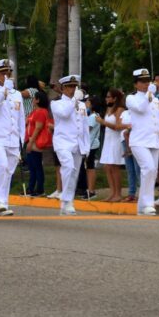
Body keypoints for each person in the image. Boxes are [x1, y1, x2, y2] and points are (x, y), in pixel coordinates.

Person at [0, 59, 26, 215]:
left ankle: (2, 204)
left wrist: (22, 140)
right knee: (2, 166)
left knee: (8, 171)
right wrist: (4, 91)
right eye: (2, 74)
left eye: (8, 73)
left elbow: (21, 119)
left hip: (13, 139)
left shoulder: (18, 95)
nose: (6, 76)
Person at [126, 68, 159, 215]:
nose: (145, 84)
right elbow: (141, 109)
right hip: (139, 141)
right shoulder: (131, 98)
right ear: (135, 84)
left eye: (147, 81)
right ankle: (148, 203)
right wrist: (149, 94)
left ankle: (142, 206)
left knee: (152, 172)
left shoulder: (156, 100)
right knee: (148, 168)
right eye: (142, 82)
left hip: (154, 141)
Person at [50, 75, 90, 215]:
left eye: (74, 86)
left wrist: (87, 146)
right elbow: (65, 114)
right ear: (63, 88)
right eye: (69, 87)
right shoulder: (56, 104)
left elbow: (84, 127)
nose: (72, 89)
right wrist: (74, 101)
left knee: (74, 173)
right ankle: (66, 200)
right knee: (67, 166)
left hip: (78, 144)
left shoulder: (82, 105)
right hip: (63, 142)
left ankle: (68, 202)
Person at [96, 89, 126, 202]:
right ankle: (112, 192)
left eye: (109, 97)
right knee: (107, 167)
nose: (106, 99)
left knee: (114, 167)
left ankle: (118, 193)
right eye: (106, 97)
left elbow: (117, 127)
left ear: (115, 98)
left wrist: (103, 122)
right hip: (108, 140)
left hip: (116, 140)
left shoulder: (120, 109)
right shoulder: (109, 108)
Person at [25, 91, 51, 197]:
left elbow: (38, 127)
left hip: (35, 141)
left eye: (34, 98)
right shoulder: (35, 111)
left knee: (36, 166)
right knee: (32, 166)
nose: (32, 100)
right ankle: (31, 188)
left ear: (38, 100)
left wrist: (31, 142)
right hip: (31, 139)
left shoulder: (41, 112)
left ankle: (39, 189)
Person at [76, 95, 103, 199]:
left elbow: (87, 130)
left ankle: (91, 190)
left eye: (88, 102)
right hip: (90, 144)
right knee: (88, 167)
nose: (86, 103)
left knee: (90, 167)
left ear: (92, 104)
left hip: (90, 145)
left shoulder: (92, 117)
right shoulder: (93, 115)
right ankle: (89, 189)